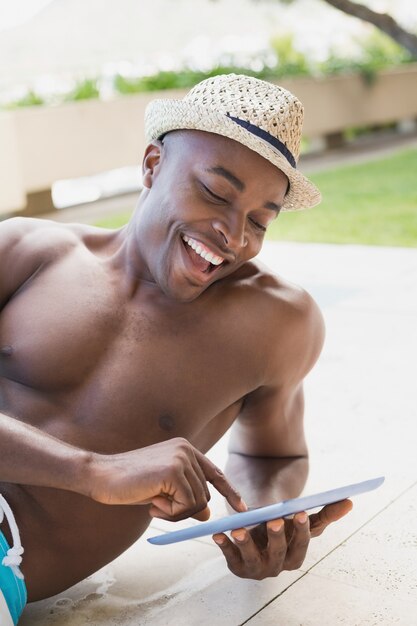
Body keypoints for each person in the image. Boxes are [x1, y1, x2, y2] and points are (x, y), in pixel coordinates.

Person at [0, 73, 352, 624]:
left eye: (260, 220)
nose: (233, 235)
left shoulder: (278, 322)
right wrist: (94, 471)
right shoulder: (24, 251)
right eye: (215, 192)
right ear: (151, 165)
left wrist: (261, 518)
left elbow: (274, 455)